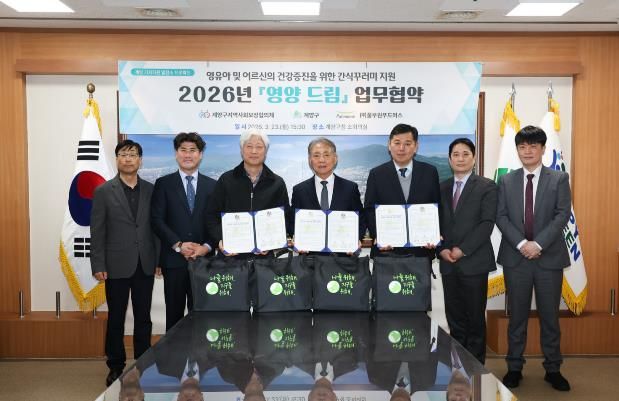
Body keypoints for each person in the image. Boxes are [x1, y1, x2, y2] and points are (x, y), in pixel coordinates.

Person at [496, 126, 571, 391]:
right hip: (516, 258)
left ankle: (553, 369)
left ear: (543, 149)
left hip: (548, 258)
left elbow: (562, 215)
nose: (527, 151)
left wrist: (538, 244)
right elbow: (501, 216)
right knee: (517, 317)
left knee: (550, 317)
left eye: (533, 146)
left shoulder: (559, 178)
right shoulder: (506, 181)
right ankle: (514, 367)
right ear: (517, 150)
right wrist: (521, 244)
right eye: (522, 147)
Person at [90, 139, 159, 386]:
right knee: (116, 318)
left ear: (140, 160)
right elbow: (97, 230)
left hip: (145, 263)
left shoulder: (151, 190)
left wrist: (158, 260)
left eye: (133, 155)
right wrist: (98, 264)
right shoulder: (103, 191)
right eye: (123, 154)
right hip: (115, 264)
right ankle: (115, 365)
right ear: (117, 159)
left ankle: (142, 363)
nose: (128, 159)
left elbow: (155, 228)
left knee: (143, 317)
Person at [437, 138, 497, 364]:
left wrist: (463, 250)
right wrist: (441, 249)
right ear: (449, 159)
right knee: (454, 319)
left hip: (474, 262)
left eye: (465, 154)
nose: (460, 159)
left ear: (474, 158)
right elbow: (434, 223)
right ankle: (457, 364)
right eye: (456, 154)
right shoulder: (441, 187)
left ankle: (476, 368)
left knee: (475, 319)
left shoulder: (487, 186)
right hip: (448, 263)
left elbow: (487, 223)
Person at [151, 132, 216, 331]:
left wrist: (206, 247)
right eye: (183, 150)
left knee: (203, 316)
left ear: (200, 154)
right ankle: (173, 353)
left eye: (193, 150)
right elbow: (156, 220)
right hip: (174, 261)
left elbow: (217, 222)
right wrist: (178, 245)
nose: (188, 155)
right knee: (174, 317)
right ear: (176, 153)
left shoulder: (213, 186)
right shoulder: (164, 184)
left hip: (204, 262)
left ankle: (200, 352)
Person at [205, 129, 290, 257]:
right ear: (241, 150)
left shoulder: (277, 183)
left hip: (264, 260)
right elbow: (211, 215)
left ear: (266, 151)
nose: (254, 151)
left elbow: (285, 218)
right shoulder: (226, 180)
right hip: (231, 258)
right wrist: (220, 239)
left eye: (259, 147)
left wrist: (271, 243)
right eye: (249, 146)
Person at [364, 123, 441, 258]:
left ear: (416, 146)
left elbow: (436, 206)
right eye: (397, 143)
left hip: (421, 252)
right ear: (389, 145)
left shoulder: (430, 172)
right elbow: (370, 210)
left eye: (407, 143)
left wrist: (434, 234)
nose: (401, 148)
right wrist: (379, 236)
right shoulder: (376, 174)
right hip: (386, 253)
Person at [290, 137, 366, 250]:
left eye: (326, 155)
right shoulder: (299, 190)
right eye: (316, 155)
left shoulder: (350, 188)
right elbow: (293, 222)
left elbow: (361, 219)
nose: (321, 160)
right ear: (310, 160)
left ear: (335, 158)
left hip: (343, 255)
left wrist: (355, 240)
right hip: (310, 256)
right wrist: (297, 238)